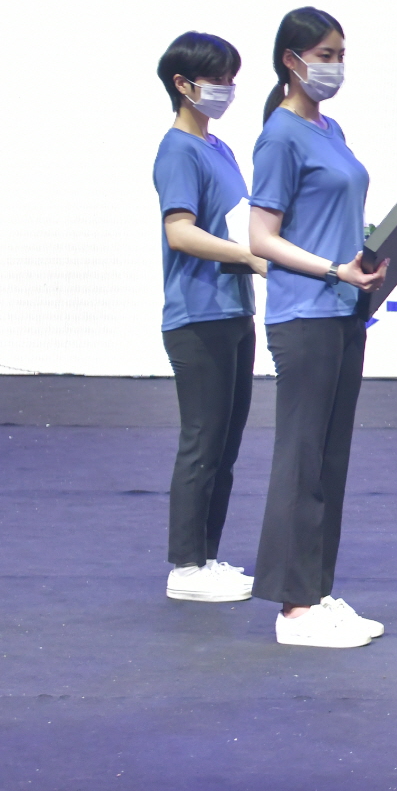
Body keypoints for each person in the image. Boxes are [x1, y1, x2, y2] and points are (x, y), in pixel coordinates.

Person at [247, 6, 397, 649]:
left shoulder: (331, 128)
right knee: (302, 458)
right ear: (291, 61)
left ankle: (316, 592)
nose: (335, 67)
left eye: (340, 55)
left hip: (345, 308)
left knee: (329, 458)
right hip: (304, 312)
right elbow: (261, 238)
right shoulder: (280, 136)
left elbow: (336, 218)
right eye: (324, 56)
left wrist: (387, 248)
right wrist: (332, 269)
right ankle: (293, 610)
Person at [154, 32, 269, 605]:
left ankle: (207, 556)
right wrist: (250, 257)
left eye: (230, 79)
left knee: (225, 442)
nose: (226, 89)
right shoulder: (178, 150)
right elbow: (180, 231)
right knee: (202, 440)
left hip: (233, 308)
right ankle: (185, 566)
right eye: (216, 79)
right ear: (183, 84)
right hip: (197, 315)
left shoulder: (217, 147)